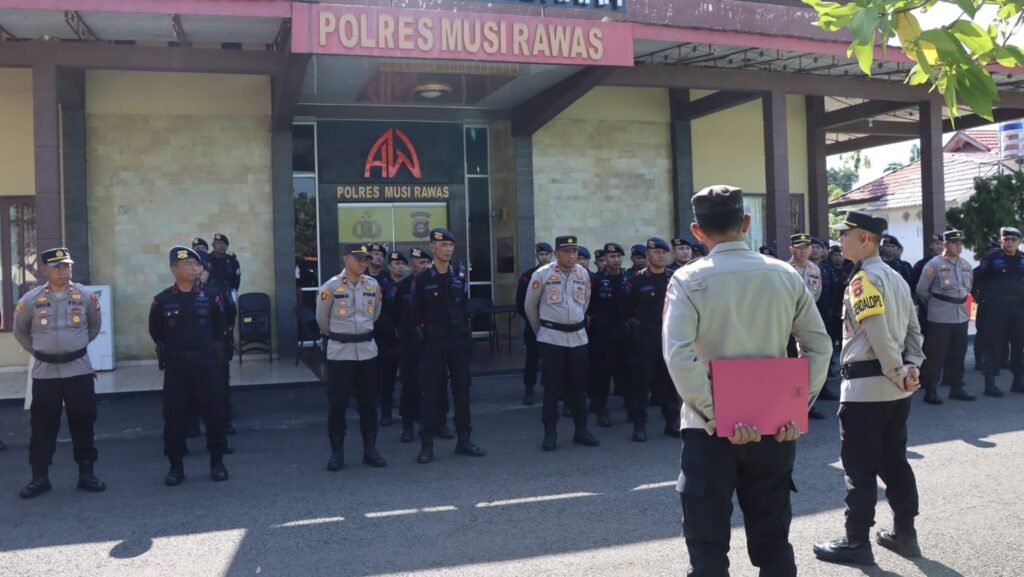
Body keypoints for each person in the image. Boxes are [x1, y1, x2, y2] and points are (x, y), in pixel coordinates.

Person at [664, 185, 831, 577]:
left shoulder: (687, 279)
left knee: (707, 549)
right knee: (773, 542)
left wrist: (716, 415)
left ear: (697, 231)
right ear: (746, 222)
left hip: (708, 431)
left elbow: (679, 356)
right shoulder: (785, 274)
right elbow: (819, 347)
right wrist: (795, 408)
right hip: (775, 427)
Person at [813, 211, 925, 566]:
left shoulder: (863, 280)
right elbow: (914, 330)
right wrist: (911, 366)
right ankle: (905, 534)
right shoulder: (895, 277)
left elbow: (876, 331)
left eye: (844, 234)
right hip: (896, 389)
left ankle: (856, 541)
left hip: (867, 389)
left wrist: (898, 370)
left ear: (864, 238)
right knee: (895, 462)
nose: (839, 241)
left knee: (859, 468)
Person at [14, 247, 105, 499]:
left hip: (78, 369)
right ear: (45, 270)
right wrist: (42, 352)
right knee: (42, 426)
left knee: (83, 421)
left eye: (67, 266)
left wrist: (72, 348)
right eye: (57, 267)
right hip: (45, 373)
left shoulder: (85, 296)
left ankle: (87, 473)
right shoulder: (30, 299)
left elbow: (94, 326)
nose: (63, 271)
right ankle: (40, 477)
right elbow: (20, 331)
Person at [149, 246, 229, 486]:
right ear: (174, 270)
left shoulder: (211, 295)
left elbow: (220, 327)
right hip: (177, 367)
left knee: (214, 415)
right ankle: (175, 466)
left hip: (206, 364)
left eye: (196, 264)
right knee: (174, 418)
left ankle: (217, 462)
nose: (194, 268)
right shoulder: (162, 300)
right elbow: (156, 332)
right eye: (188, 265)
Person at [411, 228, 486, 464]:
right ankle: (427, 444)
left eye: (451, 245)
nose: (448, 249)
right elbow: (414, 315)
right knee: (431, 393)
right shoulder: (422, 280)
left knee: (462, 391)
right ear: (432, 247)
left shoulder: (459, 277)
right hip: (433, 343)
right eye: (443, 245)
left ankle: (464, 440)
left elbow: (463, 309)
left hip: (457, 342)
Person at [524, 235, 600, 452]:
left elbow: (585, 302)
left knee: (579, 386)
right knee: (552, 387)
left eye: (574, 251)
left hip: (577, 338)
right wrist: (542, 331)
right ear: (556, 254)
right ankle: (550, 432)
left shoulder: (582, 273)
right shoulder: (542, 274)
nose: (571, 255)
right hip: (551, 338)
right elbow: (530, 306)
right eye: (566, 252)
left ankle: (581, 430)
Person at [316, 243, 387, 471]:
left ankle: (370, 449)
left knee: (369, 403)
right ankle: (337, 452)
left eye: (366, 259)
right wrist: (341, 335)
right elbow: (322, 320)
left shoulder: (372, 285)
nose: (363, 263)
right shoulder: (331, 286)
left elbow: (375, 314)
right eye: (359, 259)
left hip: (367, 351)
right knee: (338, 404)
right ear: (346, 259)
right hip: (341, 353)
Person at [626, 237, 679, 442]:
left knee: (669, 381)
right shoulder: (637, 280)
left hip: (668, 334)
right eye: (657, 252)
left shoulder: (674, 278)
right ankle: (639, 425)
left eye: (664, 253)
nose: (661, 256)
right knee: (642, 381)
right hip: (645, 335)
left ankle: (672, 422)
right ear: (648, 255)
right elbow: (627, 308)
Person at [916, 230, 975, 404]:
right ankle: (931, 390)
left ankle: (957, 388)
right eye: (955, 243)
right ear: (945, 244)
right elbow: (921, 290)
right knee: (936, 354)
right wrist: (935, 305)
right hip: (940, 316)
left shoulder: (966, 265)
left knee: (959, 353)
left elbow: (968, 289)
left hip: (961, 315)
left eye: (960, 243)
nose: (959, 246)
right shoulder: (934, 264)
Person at [974, 226, 1024, 396]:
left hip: (1019, 309)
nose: (1009, 243)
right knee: (994, 345)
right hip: (996, 309)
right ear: (1001, 241)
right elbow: (977, 280)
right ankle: (990, 384)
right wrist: (982, 299)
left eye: (1013, 240)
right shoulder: (990, 259)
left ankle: (1018, 381)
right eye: (1006, 240)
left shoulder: (1023, 258)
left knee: (1019, 345)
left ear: (1019, 242)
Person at [587, 242, 632, 427]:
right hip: (603, 335)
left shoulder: (629, 279)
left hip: (625, 334)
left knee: (629, 373)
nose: (616, 260)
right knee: (602, 375)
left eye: (619, 256)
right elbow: (589, 306)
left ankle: (632, 408)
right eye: (612, 256)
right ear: (605, 259)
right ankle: (601, 410)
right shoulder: (596, 280)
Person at [788, 233, 827, 420]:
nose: (803, 251)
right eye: (799, 247)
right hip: (789, 322)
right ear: (791, 249)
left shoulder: (814, 269)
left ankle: (807, 403)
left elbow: (816, 293)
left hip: (808, 320)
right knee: (791, 363)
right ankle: (789, 403)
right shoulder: (786, 269)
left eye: (806, 247)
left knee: (809, 363)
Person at [396, 247, 432, 442]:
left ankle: (434, 423)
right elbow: (395, 314)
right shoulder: (403, 286)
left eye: (427, 263)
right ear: (412, 264)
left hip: (430, 342)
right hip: (410, 342)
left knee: (432, 384)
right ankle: (408, 425)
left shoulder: (433, 283)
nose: (425, 266)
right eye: (421, 262)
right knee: (409, 384)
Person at [516, 242, 553, 406]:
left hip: (552, 325)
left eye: (546, 254)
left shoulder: (558, 274)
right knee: (532, 359)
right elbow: (521, 303)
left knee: (551, 360)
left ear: (551, 255)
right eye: (541, 254)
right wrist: (533, 321)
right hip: (533, 325)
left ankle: (551, 388)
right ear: (537, 256)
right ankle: (529, 389)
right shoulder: (528, 276)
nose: (544, 257)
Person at [375, 251, 406, 426]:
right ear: (389, 266)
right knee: (387, 377)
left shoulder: (410, 284)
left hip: (407, 337)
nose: (400, 267)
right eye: (397, 264)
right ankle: (386, 412)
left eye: (402, 264)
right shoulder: (382, 286)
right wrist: (392, 329)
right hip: (388, 339)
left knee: (409, 377)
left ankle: (408, 411)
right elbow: (378, 312)